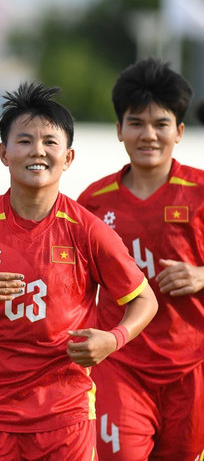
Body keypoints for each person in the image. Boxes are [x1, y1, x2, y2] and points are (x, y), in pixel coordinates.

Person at [0, 82, 158, 461]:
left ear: (68, 157)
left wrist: (113, 339)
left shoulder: (86, 229)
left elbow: (144, 299)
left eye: (49, 142)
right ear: (3, 153)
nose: (37, 150)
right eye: (24, 141)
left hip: (64, 413)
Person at [77, 58, 204, 460]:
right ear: (119, 130)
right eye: (136, 123)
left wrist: (202, 275)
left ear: (180, 131)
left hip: (192, 367)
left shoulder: (200, 193)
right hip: (121, 364)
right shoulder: (93, 203)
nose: (148, 134)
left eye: (161, 124)